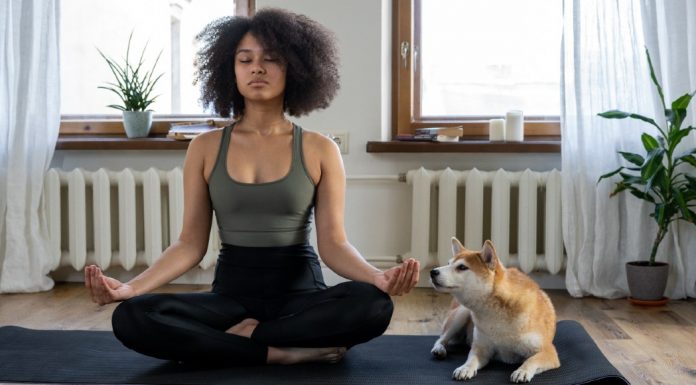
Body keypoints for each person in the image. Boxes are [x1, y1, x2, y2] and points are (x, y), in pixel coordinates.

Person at [84, 8, 420, 366]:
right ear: (230, 71)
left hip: (300, 296)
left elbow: (334, 244)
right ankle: (277, 352)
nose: (256, 68)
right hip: (231, 299)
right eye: (245, 60)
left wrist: (376, 277)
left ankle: (244, 341)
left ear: (295, 69)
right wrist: (131, 288)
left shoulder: (320, 148)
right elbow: (189, 244)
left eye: (271, 59)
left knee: (373, 306)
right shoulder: (205, 147)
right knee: (132, 316)